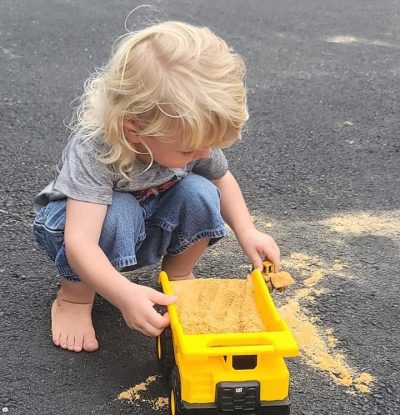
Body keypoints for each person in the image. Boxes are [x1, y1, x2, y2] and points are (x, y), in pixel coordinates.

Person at [33, 20, 280, 353]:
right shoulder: (96, 149)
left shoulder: (190, 136)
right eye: (190, 150)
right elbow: (80, 243)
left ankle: (178, 278)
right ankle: (74, 298)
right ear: (134, 129)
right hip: (75, 232)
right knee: (118, 209)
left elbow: (222, 178)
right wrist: (123, 294)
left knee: (202, 191)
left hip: (142, 220)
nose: (204, 154)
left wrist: (247, 231)